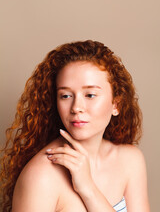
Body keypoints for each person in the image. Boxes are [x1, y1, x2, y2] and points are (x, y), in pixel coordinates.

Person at [0, 40, 150, 212]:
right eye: (65, 96)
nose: (76, 107)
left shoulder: (130, 161)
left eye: (90, 95)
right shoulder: (40, 177)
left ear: (116, 105)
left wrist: (88, 189)